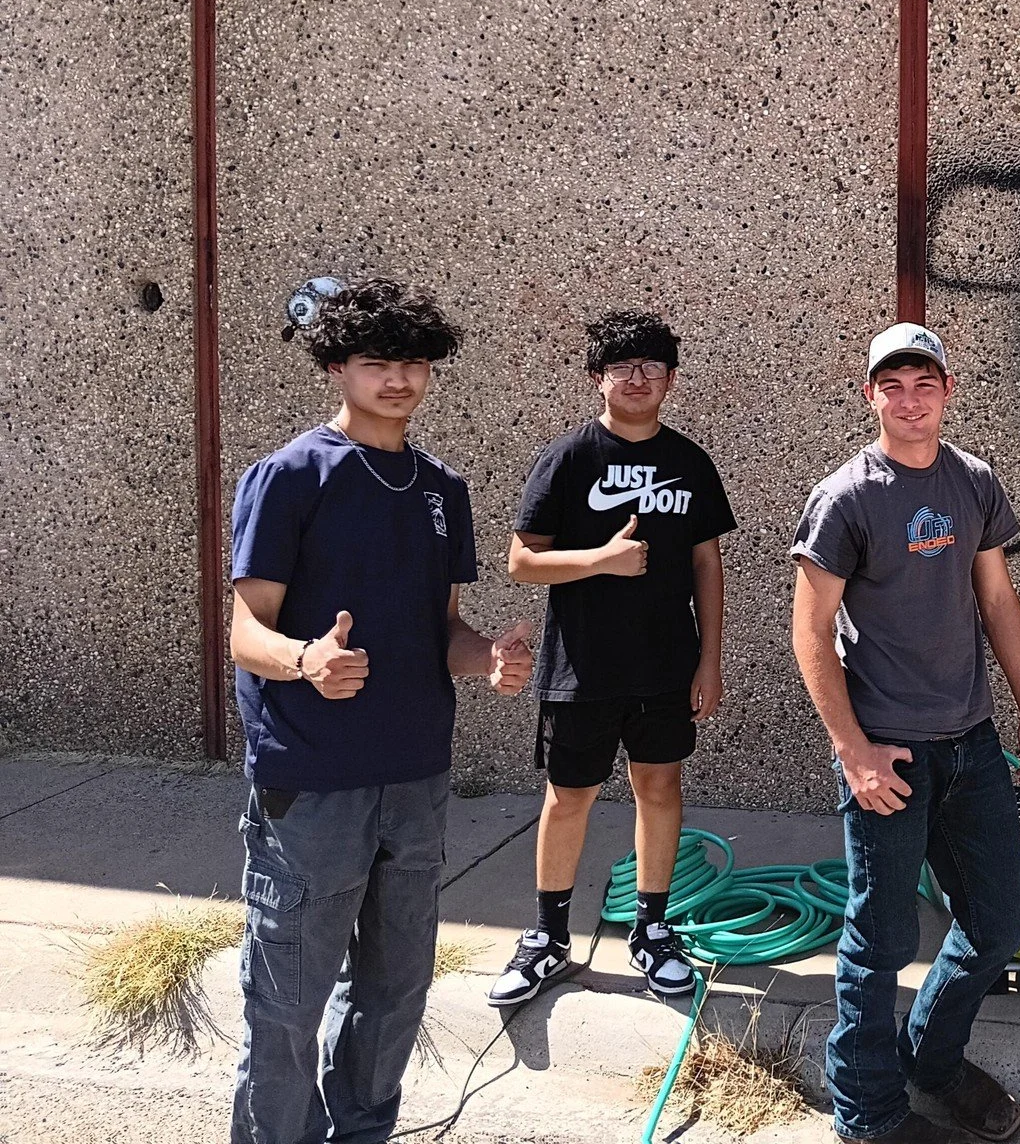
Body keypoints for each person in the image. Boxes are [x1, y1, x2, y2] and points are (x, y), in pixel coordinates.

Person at [228, 278, 533, 1144]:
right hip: (313, 778)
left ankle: (362, 1131)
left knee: (396, 991)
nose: (397, 380)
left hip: (416, 775)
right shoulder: (290, 477)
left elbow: (442, 629)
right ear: (336, 368)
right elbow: (243, 627)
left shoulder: (442, 487)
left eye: (412, 363)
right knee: (287, 1000)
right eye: (375, 364)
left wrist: (488, 662)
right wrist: (304, 660)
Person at [791, 323, 1020, 1144]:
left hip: (971, 745)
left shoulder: (971, 480)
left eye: (924, 383)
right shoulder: (847, 497)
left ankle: (931, 1062)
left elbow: (998, 601)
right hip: (888, 752)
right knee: (881, 941)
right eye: (892, 385)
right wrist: (853, 750)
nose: (909, 400)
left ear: (947, 389)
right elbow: (810, 631)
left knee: (1001, 922)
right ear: (870, 394)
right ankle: (865, 1113)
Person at [486, 310, 736, 1007]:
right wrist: (600, 560)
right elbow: (520, 562)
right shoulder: (567, 458)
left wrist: (709, 659)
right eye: (622, 367)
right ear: (598, 378)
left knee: (660, 790)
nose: (636, 378)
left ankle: (653, 931)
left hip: (665, 666)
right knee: (569, 798)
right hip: (581, 668)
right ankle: (546, 938)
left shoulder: (689, 461)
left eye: (650, 367)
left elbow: (708, 566)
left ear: (671, 380)